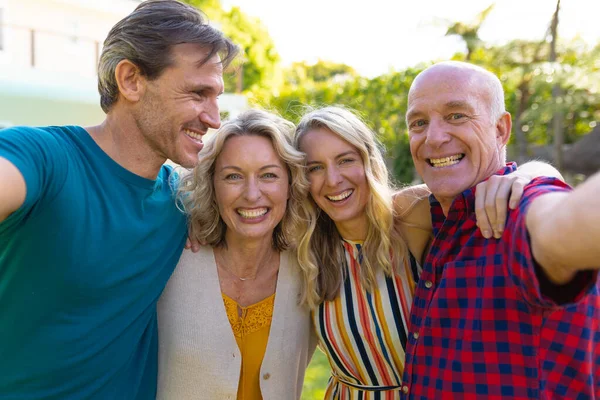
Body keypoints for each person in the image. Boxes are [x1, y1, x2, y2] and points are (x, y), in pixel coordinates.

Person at [0, 1, 237, 399]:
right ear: (130, 80)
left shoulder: (183, 203)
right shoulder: (45, 158)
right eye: (198, 93)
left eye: (216, 97)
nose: (213, 118)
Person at [292, 106, 562, 398]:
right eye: (315, 167)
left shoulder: (412, 214)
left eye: (345, 160)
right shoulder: (305, 250)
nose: (332, 180)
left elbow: (528, 178)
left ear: (369, 161)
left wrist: (531, 173)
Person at [402, 60, 600, 399]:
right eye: (419, 122)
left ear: (500, 129)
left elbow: (562, 223)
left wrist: (540, 178)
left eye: (457, 115)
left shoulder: (519, 210)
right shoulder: (434, 217)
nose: (433, 138)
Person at [157, 109, 317, 399]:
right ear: (211, 185)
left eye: (268, 175)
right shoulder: (170, 259)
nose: (252, 194)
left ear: (291, 185)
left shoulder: (310, 267)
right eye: (233, 177)